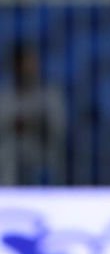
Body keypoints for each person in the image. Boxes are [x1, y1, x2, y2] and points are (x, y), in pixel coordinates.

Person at [0, 41, 66, 185]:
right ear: (16, 66)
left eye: (32, 63)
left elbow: (58, 128)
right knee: (8, 152)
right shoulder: (5, 96)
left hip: (43, 154)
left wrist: (25, 124)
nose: (29, 68)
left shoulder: (50, 95)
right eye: (25, 64)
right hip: (9, 157)